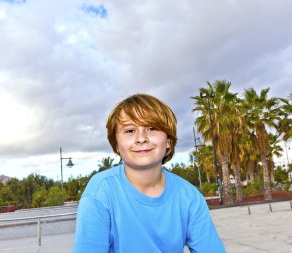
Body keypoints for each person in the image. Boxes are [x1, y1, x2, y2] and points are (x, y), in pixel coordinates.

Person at [73, 94, 225, 253]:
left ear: (168, 141)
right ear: (116, 144)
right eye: (130, 130)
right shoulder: (100, 193)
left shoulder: (190, 197)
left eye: (152, 128)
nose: (141, 139)